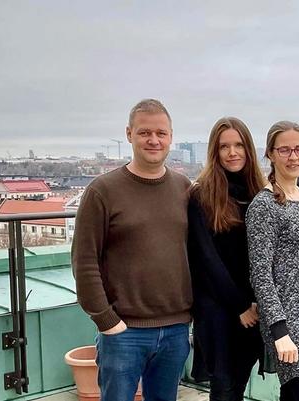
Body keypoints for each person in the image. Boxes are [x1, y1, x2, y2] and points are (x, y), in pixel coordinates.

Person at [72, 99, 192, 401]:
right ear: (129, 134)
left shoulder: (183, 188)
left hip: (176, 328)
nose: (154, 140)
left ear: (171, 137)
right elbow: (84, 261)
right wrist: (106, 320)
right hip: (124, 331)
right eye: (144, 132)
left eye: (161, 133)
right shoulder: (102, 190)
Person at [246, 121, 299, 401]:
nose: (293, 156)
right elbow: (260, 273)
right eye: (284, 150)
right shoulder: (264, 206)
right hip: (288, 324)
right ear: (270, 154)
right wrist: (279, 331)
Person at [187, 117, 267, 400]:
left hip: (253, 307)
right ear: (215, 151)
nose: (232, 152)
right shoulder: (202, 194)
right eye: (224, 146)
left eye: (239, 145)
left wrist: (254, 304)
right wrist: (240, 305)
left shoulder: (259, 192)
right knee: (222, 386)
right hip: (218, 308)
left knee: (240, 381)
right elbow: (205, 258)